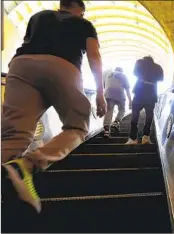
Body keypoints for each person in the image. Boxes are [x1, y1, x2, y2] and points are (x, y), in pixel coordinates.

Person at [1, 0, 106, 213]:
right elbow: (94, 56)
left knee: (14, 135)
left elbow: (27, 42)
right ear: (80, 10)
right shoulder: (83, 24)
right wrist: (100, 94)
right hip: (63, 67)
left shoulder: (38, 17)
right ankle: (27, 165)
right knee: (77, 127)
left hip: (22, 65)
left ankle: (5, 177)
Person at [126, 56, 164, 145]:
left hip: (139, 93)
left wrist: (143, 76)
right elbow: (161, 79)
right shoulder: (158, 67)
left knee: (135, 116)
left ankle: (132, 139)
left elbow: (134, 73)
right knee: (149, 117)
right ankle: (145, 138)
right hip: (151, 94)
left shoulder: (139, 62)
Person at [103, 67, 132, 137]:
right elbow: (127, 89)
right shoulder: (123, 75)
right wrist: (130, 102)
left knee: (109, 111)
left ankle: (106, 131)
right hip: (120, 94)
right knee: (122, 109)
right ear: (121, 71)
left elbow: (104, 85)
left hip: (108, 93)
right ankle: (116, 122)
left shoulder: (108, 74)